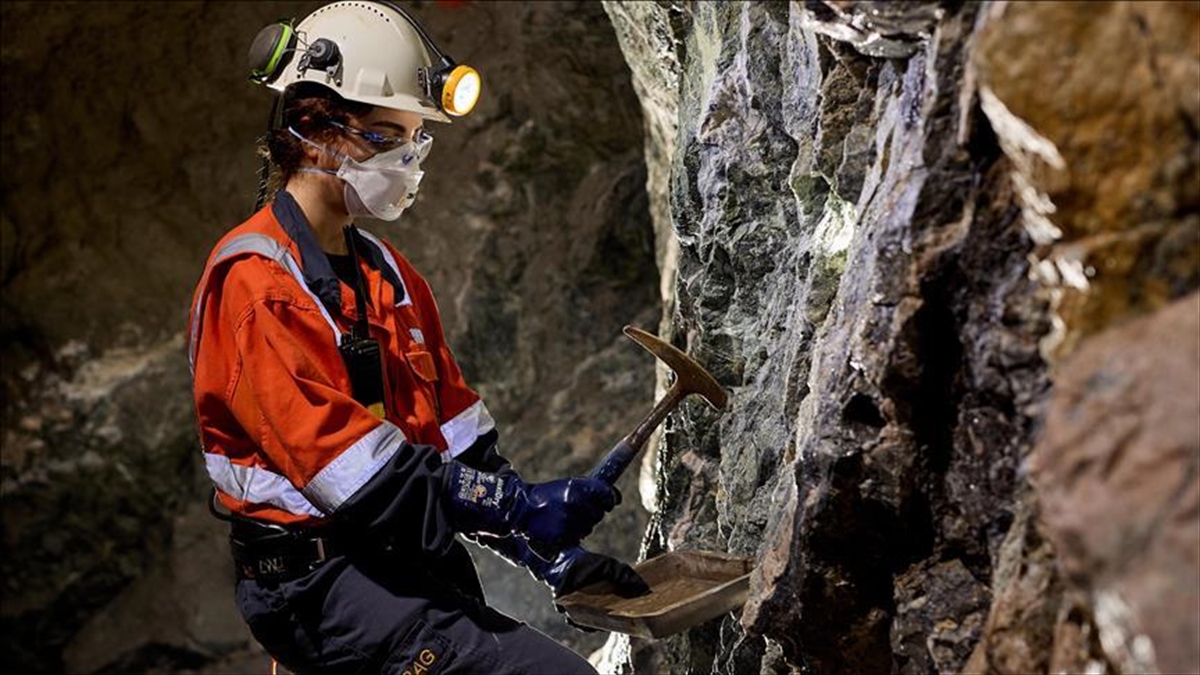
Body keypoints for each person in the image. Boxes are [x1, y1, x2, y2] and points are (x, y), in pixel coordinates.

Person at [186, 2, 648, 673]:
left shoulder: (387, 277)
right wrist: (519, 505)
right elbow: (356, 478)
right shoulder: (256, 284)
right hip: (319, 584)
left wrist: (543, 548)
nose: (409, 158)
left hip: (399, 556)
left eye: (415, 137)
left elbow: (459, 442)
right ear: (313, 125)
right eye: (386, 136)